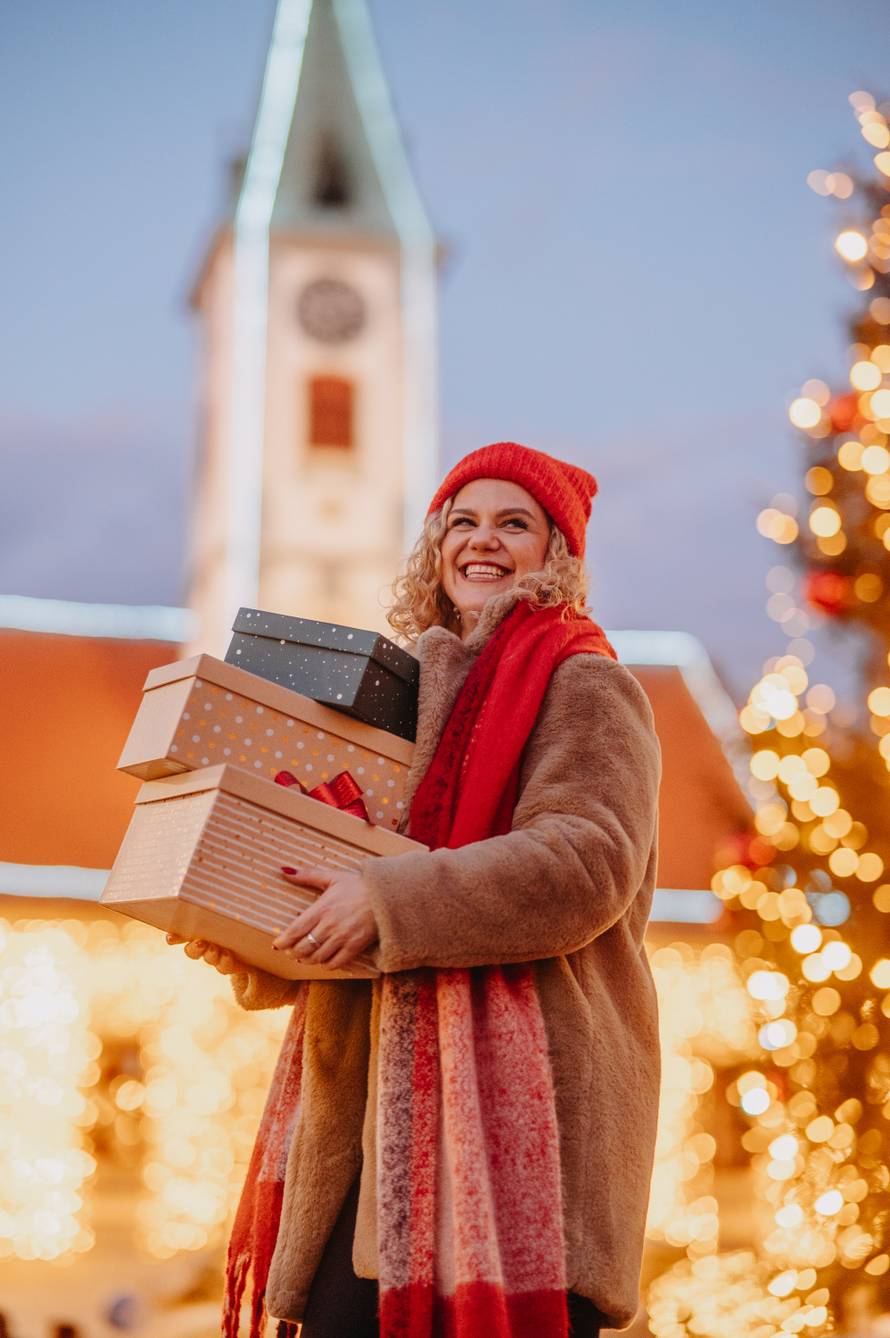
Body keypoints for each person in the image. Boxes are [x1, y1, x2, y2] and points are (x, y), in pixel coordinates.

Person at [174, 442, 663, 1338]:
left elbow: (585, 865)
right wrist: (254, 931)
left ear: (556, 555)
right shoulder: (409, 695)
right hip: (372, 1122)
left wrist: (389, 900)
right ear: (435, 545)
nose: (482, 541)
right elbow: (352, 865)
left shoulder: (587, 682)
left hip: (521, 1139)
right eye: (462, 522)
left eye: (514, 523)